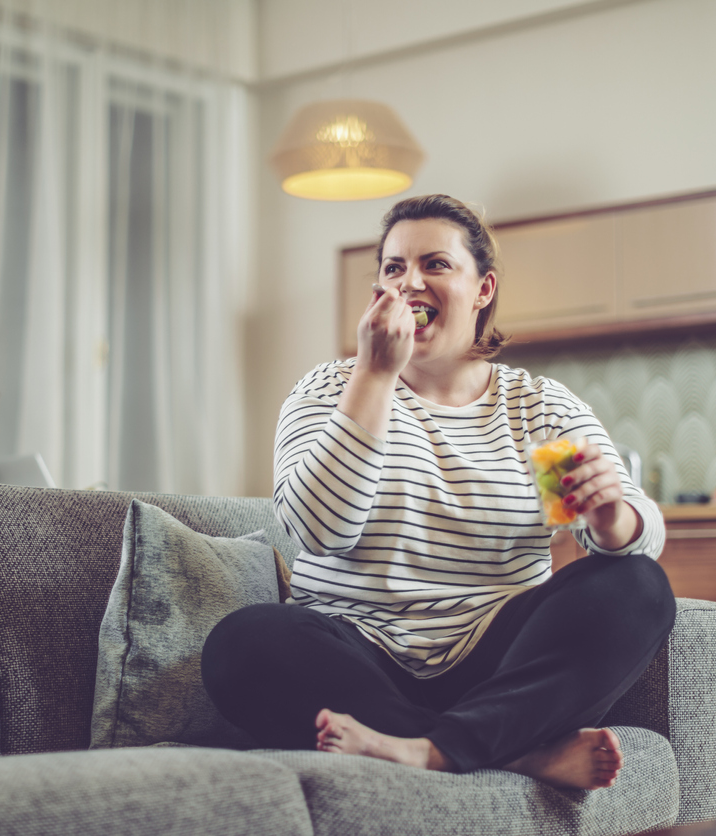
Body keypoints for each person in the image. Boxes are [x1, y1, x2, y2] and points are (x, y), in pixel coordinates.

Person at [202, 194, 675, 790]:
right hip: (358, 658)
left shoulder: (537, 410)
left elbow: (632, 540)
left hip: (494, 664)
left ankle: (433, 745)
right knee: (242, 643)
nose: (410, 283)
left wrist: (611, 520)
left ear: (483, 289)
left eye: (436, 265)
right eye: (394, 268)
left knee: (636, 586)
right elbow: (320, 531)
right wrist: (374, 375)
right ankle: (504, 752)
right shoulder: (329, 389)